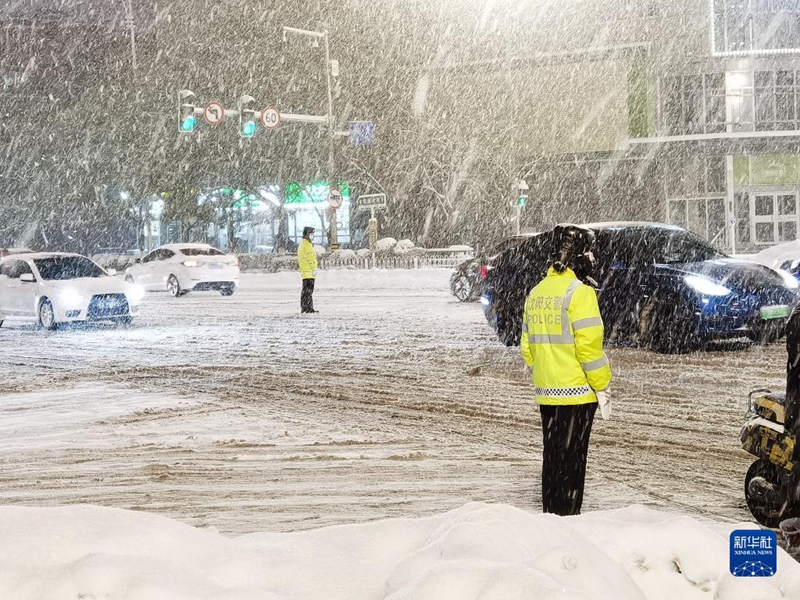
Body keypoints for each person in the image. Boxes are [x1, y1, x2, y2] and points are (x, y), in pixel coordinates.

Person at [520, 224, 612, 516]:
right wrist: (602, 385)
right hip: (578, 394)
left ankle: (550, 515)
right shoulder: (580, 294)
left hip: (547, 392)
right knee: (573, 462)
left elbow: (526, 347)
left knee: (553, 457)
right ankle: (569, 522)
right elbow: (590, 350)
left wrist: (545, 372)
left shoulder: (536, 293)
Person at [298, 227, 318, 314]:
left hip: (305, 271)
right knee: (308, 291)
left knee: (305, 291)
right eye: (310, 233)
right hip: (309, 271)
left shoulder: (303, 244)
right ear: (306, 234)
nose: (312, 235)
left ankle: (305, 307)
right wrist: (314, 268)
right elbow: (310, 258)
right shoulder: (307, 245)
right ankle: (308, 308)